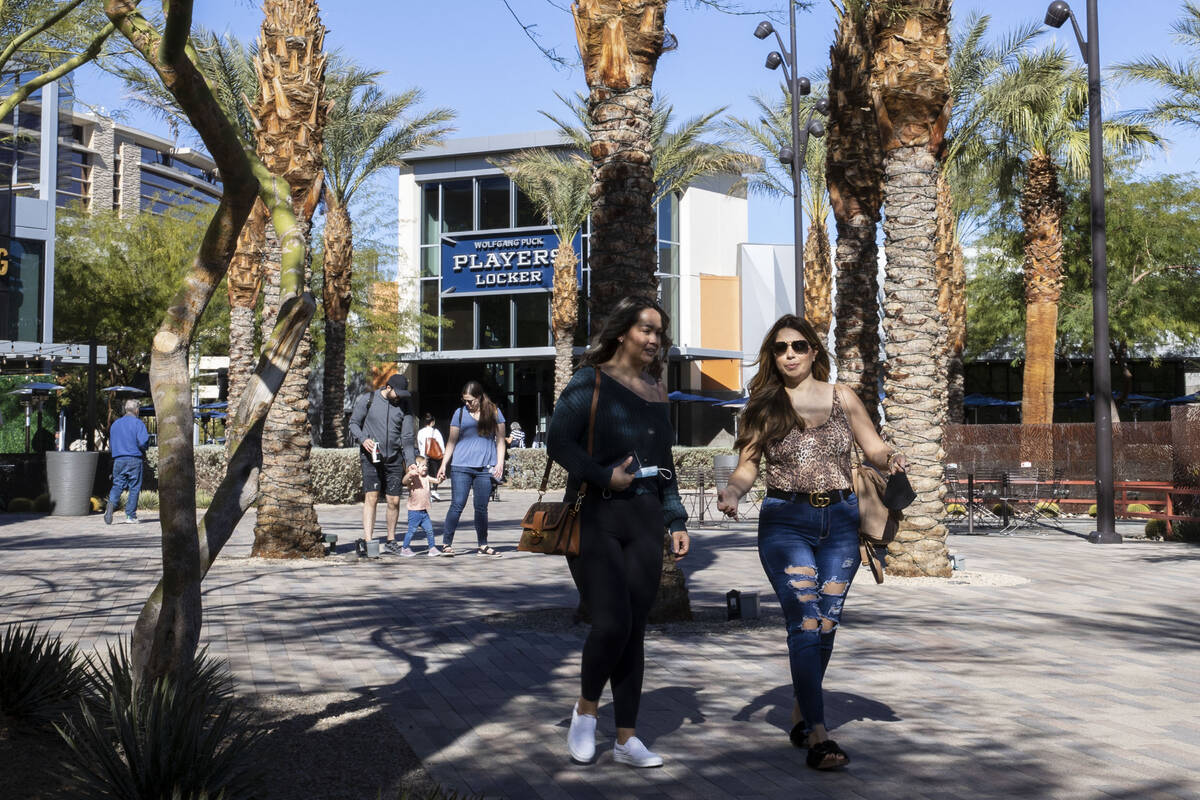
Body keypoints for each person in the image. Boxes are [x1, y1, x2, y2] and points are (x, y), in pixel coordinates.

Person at [716, 314, 908, 771]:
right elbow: (748, 466)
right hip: (786, 522)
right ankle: (819, 736)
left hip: (841, 521)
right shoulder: (764, 405)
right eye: (781, 348)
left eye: (798, 346)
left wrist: (890, 458)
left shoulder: (842, 396)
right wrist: (733, 491)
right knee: (805, 620)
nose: (789, 355)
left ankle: (802, 717)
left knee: (827, 623)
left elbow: (872, 446)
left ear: (814, 351)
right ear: (773, 355)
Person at [547, 296, 690, 769]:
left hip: (646, 518)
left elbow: (665, 464)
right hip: (598, 515)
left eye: (659, 333)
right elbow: (557, 441)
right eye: (646, 330)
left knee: (635, 631)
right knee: (612, 622)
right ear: (623, 331)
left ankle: (627, 739)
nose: (653, 340)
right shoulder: (589, 380)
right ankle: (586, 711)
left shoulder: (655, 389)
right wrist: (601, 475)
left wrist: (676, 519)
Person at [348, 374, 417, 554]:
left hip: (394, 458)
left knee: (393, 500)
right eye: (397, 393)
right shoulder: (368, 400)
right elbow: (354, 423)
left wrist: (410, 462)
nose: (400, 397)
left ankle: (391, 540)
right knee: (371, 497)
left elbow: (408, 437)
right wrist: (363, 440)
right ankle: (369, 541)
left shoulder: (405, 406)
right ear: (388, 388)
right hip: (370, 457)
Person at [436, 381, 505, 557]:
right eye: (464, 400)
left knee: (481, 507)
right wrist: (443, 464)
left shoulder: (494, 412)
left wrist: (500, 463)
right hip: (461, 466)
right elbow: (451, 442)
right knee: (457, 504)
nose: (467, 404)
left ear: (480, 397)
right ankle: (446, 543)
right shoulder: (459, 413)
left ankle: (483, 544)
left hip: (485, 468)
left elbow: (500, 440)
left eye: (470, 400)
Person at [105, 399, 150, 524]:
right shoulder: (138, 424)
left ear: (125, 409)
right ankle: (130, 516)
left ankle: (111, 504)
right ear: (137, 410)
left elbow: (112, 445)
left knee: (117, 484)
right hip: (134, 459)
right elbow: (143, 442)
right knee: (134, 487)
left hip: (118, 459)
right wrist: (145, 449)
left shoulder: (115, 424)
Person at [401, 460, 441, 557]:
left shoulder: (426, 478)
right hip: (414, 511)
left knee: (430, 530)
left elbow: (437, 481)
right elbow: (404, 481)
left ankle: (432, 548)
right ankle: (404, 548)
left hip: (423, 511)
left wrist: (441, 478)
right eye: (422, 465)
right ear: (415, 468)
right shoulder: (412, 479)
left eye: (426, 465)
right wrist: (409, 473)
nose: (425, 467)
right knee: (411, 531)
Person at [416, 413, 445, 501]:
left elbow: (419, 444)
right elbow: (441, 444)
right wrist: (443, 454)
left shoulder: (420, 432)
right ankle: (434, 491)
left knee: (424, 474)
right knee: (435, 473)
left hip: (423, 456)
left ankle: (427, 492)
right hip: (434, 456)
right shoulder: (435, 431)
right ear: (432, 422)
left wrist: (421, 455)